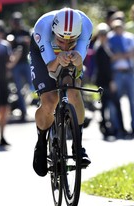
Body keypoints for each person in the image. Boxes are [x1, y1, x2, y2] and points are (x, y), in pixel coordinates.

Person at [29, 7, 93, 177]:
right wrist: (58, 58)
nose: (65, 45)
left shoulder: (85, 26)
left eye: (71, 41)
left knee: (73, 91)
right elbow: (51, 69)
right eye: (61, 40)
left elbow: (78, 72)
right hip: (43, 52)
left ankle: (77, 145)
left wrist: (78, 62)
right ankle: (41, 141)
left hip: (66, 53)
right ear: (53, 31)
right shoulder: (42, 28)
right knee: (50, 100)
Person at [93, 22, 130, 140]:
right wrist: (111, 81)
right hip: (105, 81)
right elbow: (104, 68)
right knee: (110, 105)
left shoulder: (105, 47)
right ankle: (113, 129)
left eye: (105, 34)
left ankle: (113, 128)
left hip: (105, 80)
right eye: (102, 34)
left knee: (108, 105)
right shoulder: (99, 48)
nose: (104, 36)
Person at [108, 19, 134, 138]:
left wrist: (120, 55)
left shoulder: (129, 37)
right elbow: (110, 57)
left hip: (130, 72)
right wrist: (124, 55)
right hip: (116, 73)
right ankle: (116, 127)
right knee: (115, 102)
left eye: (120, 27)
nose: (118, 29)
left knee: (132, 100)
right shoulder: (110, 38)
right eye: (116, 27)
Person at [0, 20, 22, 150]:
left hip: (3, 82)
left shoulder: (4, 46)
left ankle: (2, 136)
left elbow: (10, 64)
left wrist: (17, 56)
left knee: (4, 109)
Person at [7, 11, 32, 122]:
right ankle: (23, 111)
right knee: (18, 89)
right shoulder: (10, 32)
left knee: (33, 85)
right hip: (15, 65)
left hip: (26, 63)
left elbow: (31, 41)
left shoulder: (25, 31)